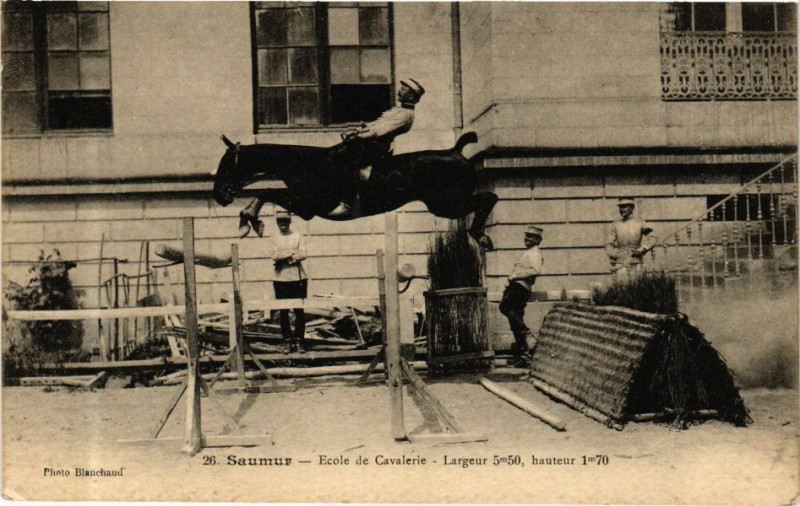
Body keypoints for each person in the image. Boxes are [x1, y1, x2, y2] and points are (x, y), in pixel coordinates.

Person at [327, 78, 425, 218]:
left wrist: (359, 136)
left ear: (411, 96)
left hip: (378, 146)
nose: (399, 90)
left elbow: (380, 131)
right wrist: (358, 130)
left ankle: (347, 204)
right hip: (372, 142)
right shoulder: (399, 110)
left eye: (403, 89)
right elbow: (376, 125)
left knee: (348, 164)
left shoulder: (406, 115)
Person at [499, 225, 544, 368]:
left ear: (538, 239)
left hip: (520, 287)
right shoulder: (529, 252)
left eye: (531, 237)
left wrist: (515, 276)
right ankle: (523, 356)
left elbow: (536, 270)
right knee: (514, 321)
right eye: (526, 236)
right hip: (517, 286)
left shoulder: (535, 253)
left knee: (504, 307)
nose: (527, 239)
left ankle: (525, 333)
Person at [269, 210, 309, 353]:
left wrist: (285, 256)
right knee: (283, 311)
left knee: (299, 310)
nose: (283, 224)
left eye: (285, 221)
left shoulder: (297, 236)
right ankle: (286, 340)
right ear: (277, 223)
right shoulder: (274, 237)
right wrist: (292, 253)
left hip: (298, 278)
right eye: (280, 221)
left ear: (290, 221)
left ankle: (299, 341)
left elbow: (304, 253)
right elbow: (274, 255)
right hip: (280, 279)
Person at [605, 197, 658, 281]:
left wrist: (644, 248)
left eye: (625, 207)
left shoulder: (641, 223)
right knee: (622, 287)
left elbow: (653, 237)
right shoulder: (615, 225)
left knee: (636, 287)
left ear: (632, 208)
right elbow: (609, 244)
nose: (622, 209)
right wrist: (615, 254)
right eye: (620, 207)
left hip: (636, 261)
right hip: (621, 263)